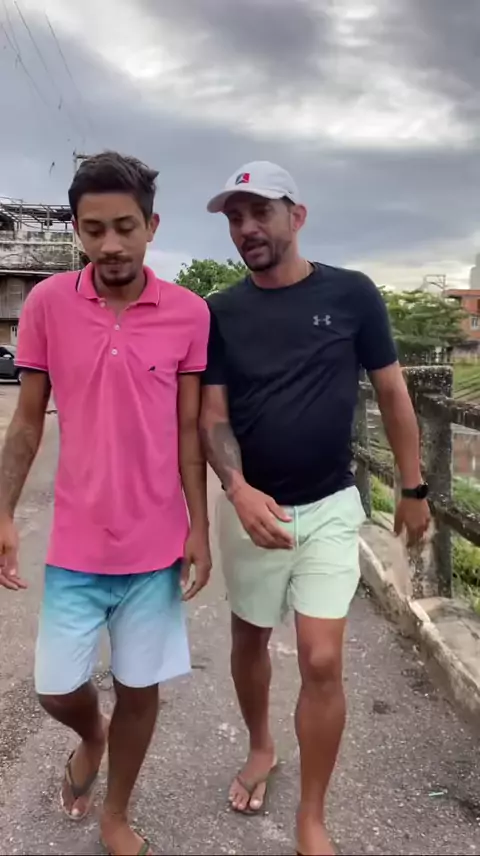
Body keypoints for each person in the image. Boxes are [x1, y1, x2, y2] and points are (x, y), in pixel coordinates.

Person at [200, 161, 430, 856]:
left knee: (322, 660)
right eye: (234, 217)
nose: (246, 228)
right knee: (249, 639)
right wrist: (237, 489)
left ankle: (312, 815)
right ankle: (261, 745)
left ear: (296, 217)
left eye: (259, 212)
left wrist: (413, 489)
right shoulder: (220, 312)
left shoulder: (352, 294)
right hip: (253, 509)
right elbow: (213, 417)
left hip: (330, 504)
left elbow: (392, 393)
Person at [0, 152, 211, 856]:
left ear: (152, 226)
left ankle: (116, 814)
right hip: (77, 544)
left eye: (125, 226)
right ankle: (93, 735)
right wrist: (3, 512)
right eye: (94, 230)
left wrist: (200, 528)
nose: (111, 244)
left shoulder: (189, 313)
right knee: (55, 690)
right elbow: (26, 422)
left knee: (140, 688)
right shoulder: (46, 304)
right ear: (77, 231)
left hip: (155, 546)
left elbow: (189, 431)